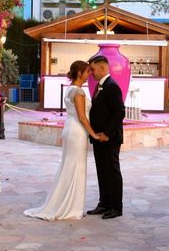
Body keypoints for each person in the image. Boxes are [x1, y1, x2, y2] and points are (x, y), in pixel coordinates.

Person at [24, 60, 102, 220]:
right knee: (75, 167)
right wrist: (94, 134)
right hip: (77, 131)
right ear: (79, 73)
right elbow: (82, 116)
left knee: (70, 165)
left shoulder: (70, 89)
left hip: (70, 128)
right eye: (87, 72)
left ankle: (68, 203)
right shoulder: (78, 92)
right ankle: (71, 208)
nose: (90, 75)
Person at [86, 54, 126, 220]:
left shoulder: (111, 86)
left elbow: (119, 112)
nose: (91, 72)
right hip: (98, 138)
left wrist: (107, 134)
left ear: (102, 68)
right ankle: (104, 203)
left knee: (112, 172)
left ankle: (116, 207)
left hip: (109, 138)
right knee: (101, 171)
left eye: (93, 69)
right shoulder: (99, 86)